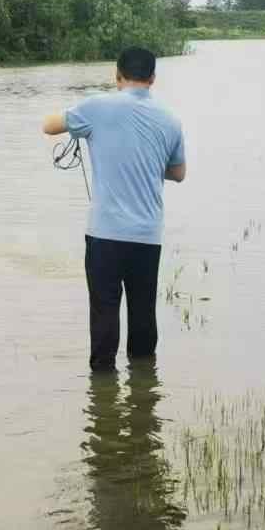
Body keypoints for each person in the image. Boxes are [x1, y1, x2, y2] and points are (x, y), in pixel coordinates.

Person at [41, 46, 186, 372]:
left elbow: (49, 126)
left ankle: (103, 391)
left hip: (105, 236)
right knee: (143, 311)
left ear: (117, 76)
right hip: (148, 236)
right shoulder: (171, 120)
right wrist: (146, 161)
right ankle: (144, 383)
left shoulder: (96, 107)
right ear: (152, 78)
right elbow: (178, 173)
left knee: (105, 311)